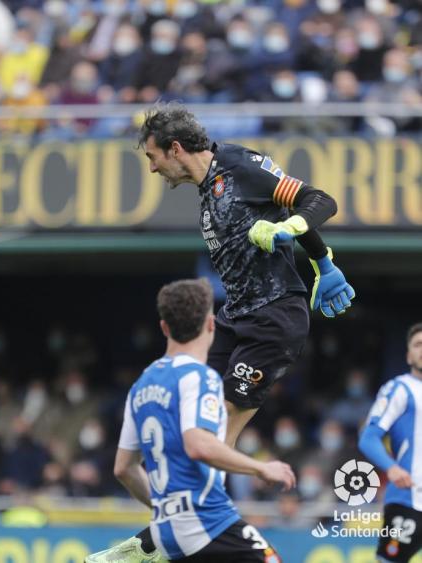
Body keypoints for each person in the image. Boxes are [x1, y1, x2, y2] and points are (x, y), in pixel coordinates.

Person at [86, 102, 355, 562]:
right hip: (236, 317)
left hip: (274, 321)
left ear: (175, 149)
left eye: (152, 158)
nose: (151, 169)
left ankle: (157, 544)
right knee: (183, 410)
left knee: (215, 437)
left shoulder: (239, 165)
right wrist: (323, 261)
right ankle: (163, 534)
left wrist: (298, 233)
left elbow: (316, 200)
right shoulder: (209, 187)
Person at [87, 279, 295, 562]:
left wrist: (165, 509)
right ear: (211, 324)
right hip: (208, 522)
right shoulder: (200, 377)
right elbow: (200, 445)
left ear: (164, 328)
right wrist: (260, 468)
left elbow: (124, 468)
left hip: (168, 530)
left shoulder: (141, 385)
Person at [358, 323, 422, 563]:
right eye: (418, 345)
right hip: (410, 500)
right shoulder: (399, 389)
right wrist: (392, 468)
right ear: (408, 355)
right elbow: (368, 437)